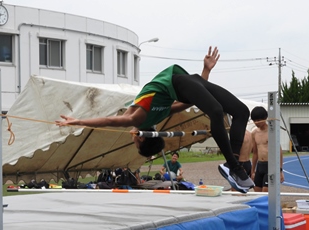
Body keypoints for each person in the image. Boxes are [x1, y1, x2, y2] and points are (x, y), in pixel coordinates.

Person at [55, 46, 254, 193]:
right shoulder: (140, 118)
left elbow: (189, 101)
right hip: (184, 84)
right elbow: (110, 121)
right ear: (141, 137)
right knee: (218, 111)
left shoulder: (151, 115)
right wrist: (78, 121)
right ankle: (234, 166)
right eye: (134, 141)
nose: (132, 136)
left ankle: (232, 164)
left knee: (242, 111)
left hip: (188, 80)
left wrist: (206, 71)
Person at [250, 106, 284, 192]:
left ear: (264, 118)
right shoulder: (254, 133)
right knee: (257, 192)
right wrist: (252, 170)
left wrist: (280, 170)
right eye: (254, 121)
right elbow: (255, 153)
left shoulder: (272, 132)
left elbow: (279, 151)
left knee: (265, 192)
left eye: (258, 120)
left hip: (270, 166)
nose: (256, 123)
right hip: (260, 165)